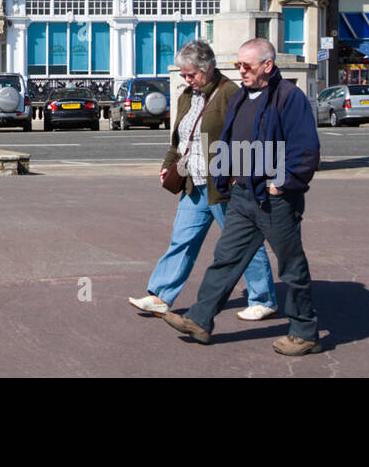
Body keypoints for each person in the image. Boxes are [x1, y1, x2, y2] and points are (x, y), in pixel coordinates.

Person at [162, 38, 323, 356]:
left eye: (246, 65)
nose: (240, 70)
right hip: (242, 195)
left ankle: (305, 332)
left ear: (267, 65)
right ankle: (200, 320)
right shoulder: (241, 97)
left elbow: (306, 148)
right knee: (226, 260)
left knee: (291, 267)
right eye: (237, 65)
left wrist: (284, 182)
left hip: (275, 199)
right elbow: (228, 139)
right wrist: (225, 176)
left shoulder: (289, 97)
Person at [127, 40, 277, 321]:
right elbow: (180, 139)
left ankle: (263, 298)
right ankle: (160, 296)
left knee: (242, 243)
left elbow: (247, 136)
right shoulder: (187, 95)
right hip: (192, 183)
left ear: (208, 69)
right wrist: (168, 165)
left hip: (223, 186)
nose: (187, 80)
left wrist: (239, 171)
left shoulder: (232, 93)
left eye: (191, 74)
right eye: (184, 74)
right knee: (181, 241)